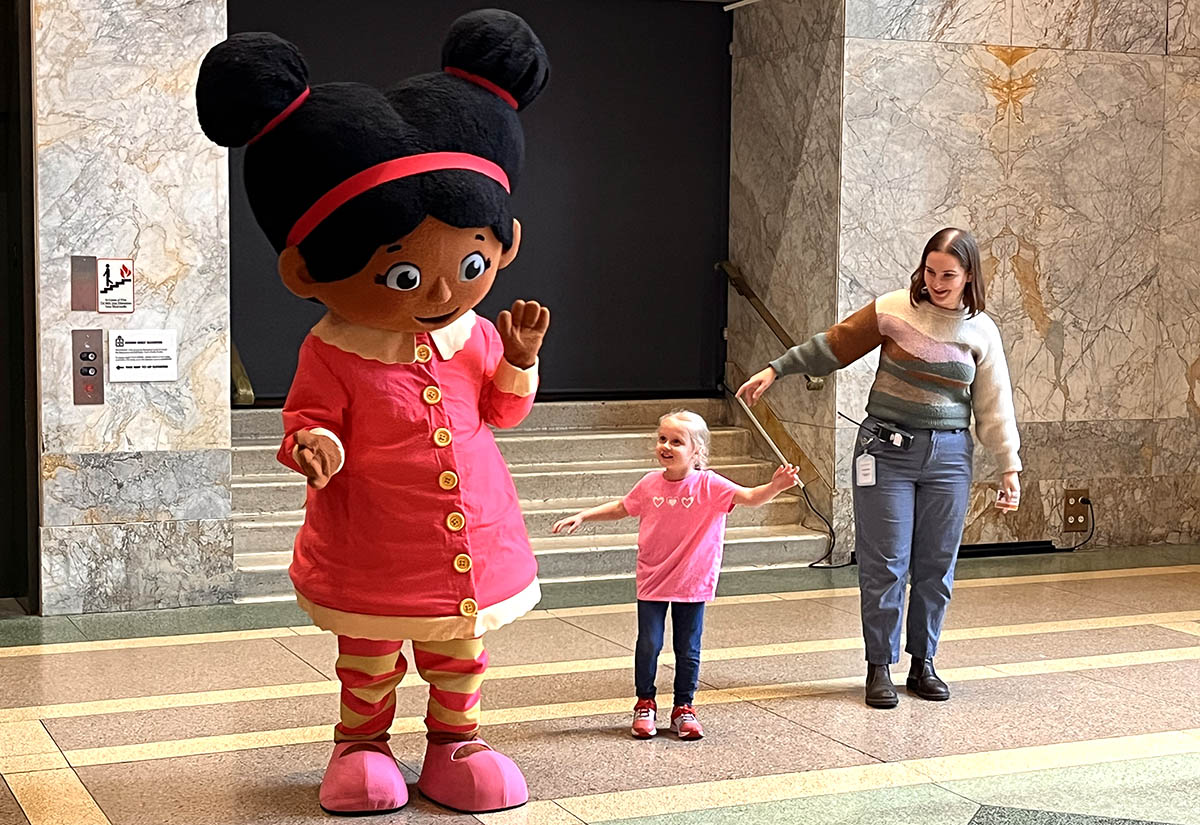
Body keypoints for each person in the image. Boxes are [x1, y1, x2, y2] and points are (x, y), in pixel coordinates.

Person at [195, 11, 550, 815]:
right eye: (403, 275)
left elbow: (502, 412)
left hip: (472, 536)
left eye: (471, 259)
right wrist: (315, 444)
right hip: (373, 542)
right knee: (369, 653)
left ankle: (457, 741)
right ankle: (361, 744)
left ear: (504, 243)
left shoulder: (477, 333)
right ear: (305, 270)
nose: (442, 289)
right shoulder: (335, 346)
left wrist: (520, 360)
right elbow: (306, 418)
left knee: (460, 651)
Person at [737, 228, 1021, 710]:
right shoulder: (894, 308)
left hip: (950, 456)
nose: (936, 283)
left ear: (970, 276)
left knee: (936, 564)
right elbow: (835, 344)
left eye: (948, 275)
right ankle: (879, 666)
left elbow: (994, 405)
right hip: (885, 451)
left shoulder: (981, 330)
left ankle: (923, 663)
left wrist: (1008, 467)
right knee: (885, 562)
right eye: (930, 272)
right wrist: (776, 368)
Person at [551, 410, 801, 739]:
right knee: (649, 643)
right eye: (662, 439)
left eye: (676, 442)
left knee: (688, 647)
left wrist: (776, 486)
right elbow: (623, 507)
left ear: (697, 450)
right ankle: (645, 703)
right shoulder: (649, 483)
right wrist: (584, 516)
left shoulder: (710, 485)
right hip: (653, 578)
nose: (666, 446)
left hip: (692, 580)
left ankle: (684, 707)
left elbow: (752, 498)